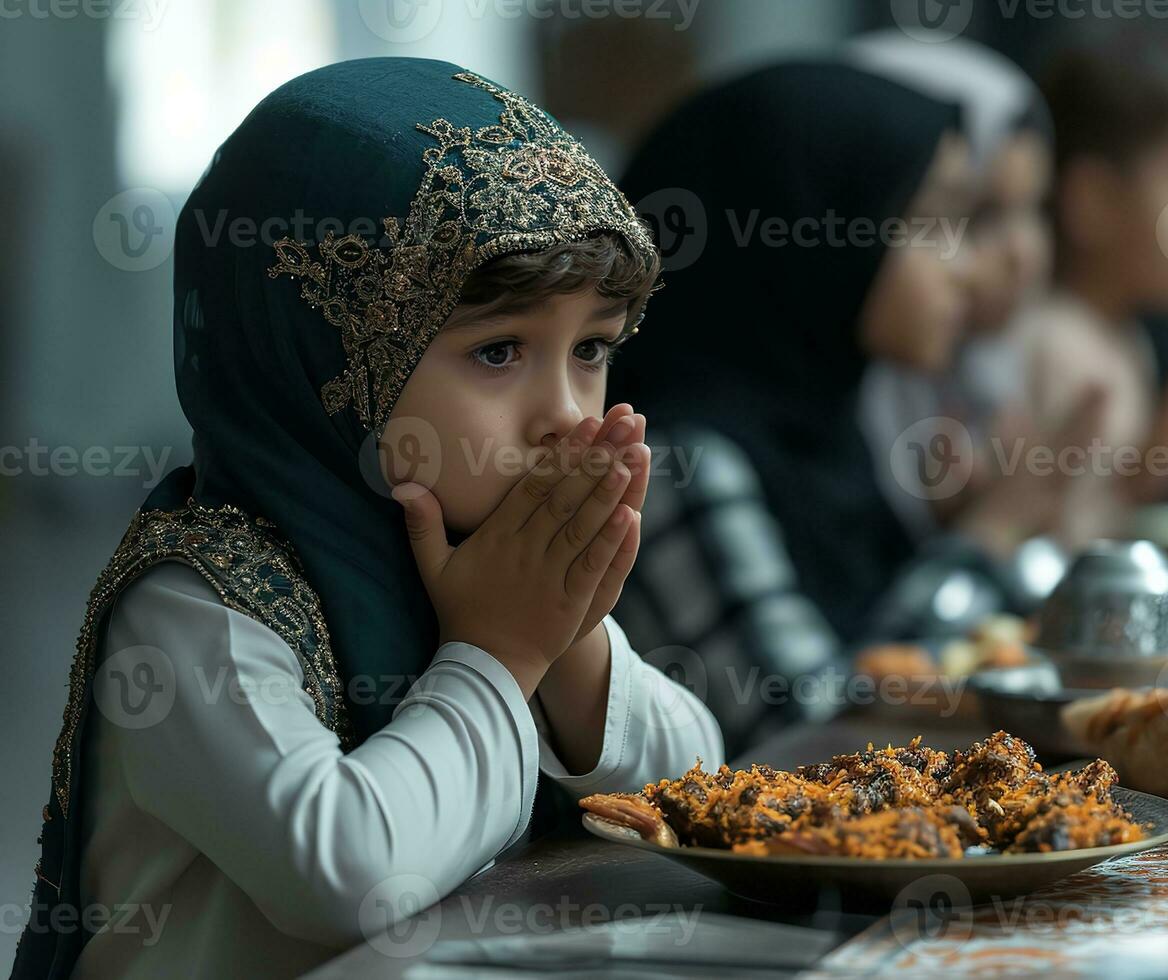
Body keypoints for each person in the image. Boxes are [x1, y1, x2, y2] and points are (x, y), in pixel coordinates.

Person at [12, 58, 722, 980]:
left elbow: (697, 781)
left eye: (591, 348)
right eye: (500, 350)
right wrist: (501, 657)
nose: (568, 415)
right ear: (320, 356)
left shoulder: (477, 549)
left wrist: (572, 640)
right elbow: (352, 872)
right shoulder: (199, 604)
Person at [608, 62, 1006, 752]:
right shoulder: (677, 455)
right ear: (813, 219)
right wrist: (990, 539)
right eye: (930, 221)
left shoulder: (826, 421)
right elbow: (814, 733)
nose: (966, 266)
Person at [847, 31, 1094, 580]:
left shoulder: (981, 381)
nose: (1024, 254)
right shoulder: (848, 410)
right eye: (978, 216)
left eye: (1036, 211)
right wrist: (988, 528)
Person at [1016, 35, 1168, 547]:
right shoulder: (1055, 344)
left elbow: (1112, 504)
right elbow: (1063, 540)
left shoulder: (1118, 336)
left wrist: (1161, 456)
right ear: (1094, 201)